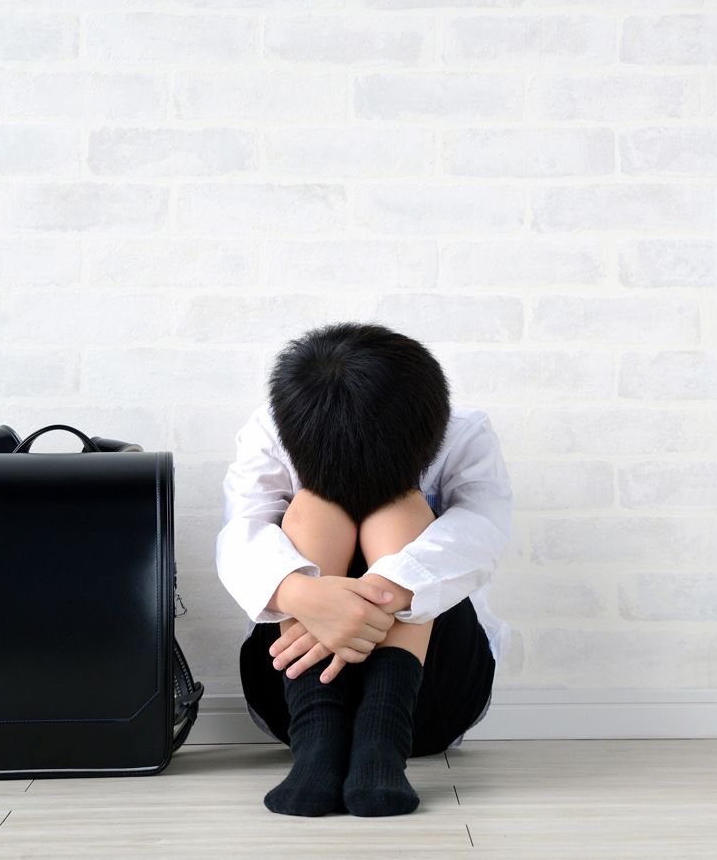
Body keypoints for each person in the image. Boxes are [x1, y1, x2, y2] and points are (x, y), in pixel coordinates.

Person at [215, 321, 513, 817]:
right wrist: (304, 596)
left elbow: (484, 530)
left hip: (429, 696)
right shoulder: (276, 427)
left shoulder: (463, 432)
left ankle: (382, 741)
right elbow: (240, 534)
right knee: (315, 508)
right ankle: (317, 742)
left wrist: (383, 591)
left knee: (399, 509)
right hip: (292, 692)